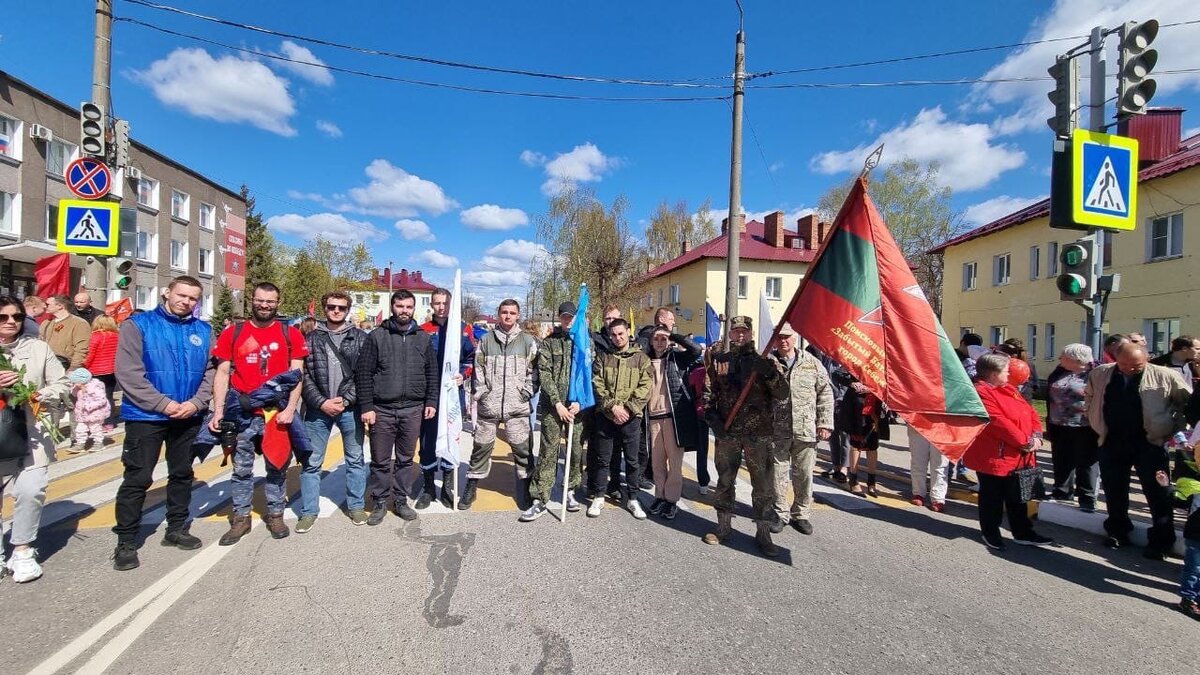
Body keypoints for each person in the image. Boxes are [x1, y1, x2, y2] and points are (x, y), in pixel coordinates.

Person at [111, 276, 214, 570]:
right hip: (146, 416)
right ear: (167, 293)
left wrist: (196, 403)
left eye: (193, 298)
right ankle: (126, 540)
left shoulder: (203, 330)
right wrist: (163, 404)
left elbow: (211, 372)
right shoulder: (139, 325)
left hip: (188, 415)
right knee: (138, 478)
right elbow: (129, 373)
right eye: (182, 295)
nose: (187, 302)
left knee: (182, 473)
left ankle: (176, 528)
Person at [210, 282, 308, 545]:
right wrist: (218, 410)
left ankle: (276, 513)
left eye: (271, 301)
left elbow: (297, 376)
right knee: (241, 469)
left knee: (277, 466)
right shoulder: (233, 332)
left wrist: (290, 409)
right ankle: (241, 518)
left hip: (275, 413)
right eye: (260, 300)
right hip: (242, 413)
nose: (265, 305)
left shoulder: (290, 334)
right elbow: (222, 373)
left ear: (278, 303)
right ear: (251, 300)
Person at [1086, 342, 1189, 559]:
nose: (1129, 369)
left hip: (1149, 442)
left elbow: (1185, 403)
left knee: (1158, 493)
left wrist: (1172, 429)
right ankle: (1117, 530)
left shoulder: (1164, 375)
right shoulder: (1101, 373)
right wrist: (1092, 417)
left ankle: (1161, 541)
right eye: (1123, 364)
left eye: (1136, 366)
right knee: (1114, 489)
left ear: (1147, 359)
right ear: (1116, 359)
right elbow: (1089, 396)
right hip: (1112, 440)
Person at [702, 315, 787, 556]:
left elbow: (782, 394)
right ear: (730, 334)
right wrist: (713, 419)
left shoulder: (766, 361)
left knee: (762, 486)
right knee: (725, 481)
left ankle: (763, 533)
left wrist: (769, 374)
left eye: (744, 331)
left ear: (750, 333)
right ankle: (723, 527)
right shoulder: (721, 361)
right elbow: (709, 392)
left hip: (758, 435)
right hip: (728, 434)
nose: (740, 335)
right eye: (736, 331)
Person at [0, 295, 69, 582]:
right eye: (3, 318)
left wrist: (41, 394)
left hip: (31, 434)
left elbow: (62, 383)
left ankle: (23, 550)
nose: (11, 323)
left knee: (31, 490)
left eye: (16, 317)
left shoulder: (39, 349)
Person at [355, 289, 437, 525]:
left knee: (405, 458)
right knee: (380, 459)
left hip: (413, 409)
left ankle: (400, 499)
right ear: (392, 307)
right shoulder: (377, 336)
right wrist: (367, 406)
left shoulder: (422, 337)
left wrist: (430, 401)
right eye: (400, 306)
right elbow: (364, 373)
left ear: (414, 309)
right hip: (382, 409)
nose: (404, 311)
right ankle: (380, 500)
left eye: (409, 307)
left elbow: (431, 372)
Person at [962, 353, 1054, 550]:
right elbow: (997, 422)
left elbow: (1030, 412)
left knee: (1018, 496)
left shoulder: (1007, 388)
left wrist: (1037, 435)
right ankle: (990, 532)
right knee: (992, 497)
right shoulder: (981, 391)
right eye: (1005, 371)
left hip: (1018, 454)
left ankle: (1023, 532)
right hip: (995, 455)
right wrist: (1024, 442)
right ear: (994, 374)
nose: (1009, 374)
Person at [298, 291, 369, 532]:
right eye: (331, 307)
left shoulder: (360, 338)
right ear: (324, 308)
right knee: (312, 461)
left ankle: (356, 506)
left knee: (355, 459)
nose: (336, 311)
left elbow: (365, 375)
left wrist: (347, 400)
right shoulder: (310, 338)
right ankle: (309, 511)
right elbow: (303, 375)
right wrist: (320, 402)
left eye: (341, 307)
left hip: (349, 408)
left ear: (348, 310)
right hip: (319, 409)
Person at [461, 299, 537, 511]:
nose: (508, 316)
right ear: (498, 314)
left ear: (518, 315)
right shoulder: (486, 340)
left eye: (512, 313)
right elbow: (478, 370)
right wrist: (483, 392)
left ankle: (524, 488)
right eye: (504, 312)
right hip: (489, 406)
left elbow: (534, 372)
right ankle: (471, 486)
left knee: (523, 450)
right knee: (481, 448)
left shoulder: (527, 341)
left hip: (517, 407)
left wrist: (526, 393)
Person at [523, 302, 586, 521]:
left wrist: (580, 402)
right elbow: (545, 374)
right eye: (564, 317)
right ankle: (540, 498)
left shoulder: (584, 343)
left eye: (571, 317)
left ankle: (570, 490)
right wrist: (557, 403)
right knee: (549, 452)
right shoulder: (549, 343)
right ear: (559, 318)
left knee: (575, 451)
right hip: (553, 407)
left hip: (576, 407)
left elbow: (588, 374)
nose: (568, 320)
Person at [771, 323, 833, 534]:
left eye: (787, 337)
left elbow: (825, 393)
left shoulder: (812, 364)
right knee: (777, 474)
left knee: (804, 474)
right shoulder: (767, 363)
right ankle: (780, 513)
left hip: (805, 429)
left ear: (795, 338)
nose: (783, 341)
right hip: (776, 429)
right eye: (779, 337)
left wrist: (824, 422)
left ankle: (801, 514)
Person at [586, 318, 652, 519]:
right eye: (613, 334)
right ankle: (599, 496)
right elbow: (597, 383)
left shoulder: (641, 359)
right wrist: (613, 407)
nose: (617, 338)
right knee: (602, 459)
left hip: (631, 419)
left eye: (621, 334)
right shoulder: (603, 357)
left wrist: (628, 409)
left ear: (628, 332)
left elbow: (645, 387)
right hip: (607, 416)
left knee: (632, 461)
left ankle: (632, 498)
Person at [419, 287, 476, 510]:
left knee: (451, 438)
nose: (441, 307)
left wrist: (464, 374)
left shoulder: (463, 330)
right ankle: (428, 487)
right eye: (437, 303)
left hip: (453, 394)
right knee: (427, 441)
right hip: (428, 395)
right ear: (431, 305)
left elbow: (472, 358)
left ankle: (448, 487)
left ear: (451, 304)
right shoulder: (423, 330)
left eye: (445, 303)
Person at [643, 322, 701, 520]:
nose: (659, 342)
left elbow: (696, 350)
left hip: (673, 418)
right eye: (656, 338)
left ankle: (672, 500)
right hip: (653, 419)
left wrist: (674, 336)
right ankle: (660, 496)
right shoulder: (645, 360)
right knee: (657, 462)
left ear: (668, 341)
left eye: (663, 338)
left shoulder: (677, 358)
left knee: (675, 463)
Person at [1045, 343, 1100, 512]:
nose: (1060, 358)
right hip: (1059, 424)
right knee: (1062, 458)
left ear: (1076, 360)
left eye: (1064, 356)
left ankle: (1087, 497)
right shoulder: (1060, 371)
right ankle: (1062, 491)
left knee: (1086, 462)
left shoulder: (1095, 374)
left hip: (1085, 426)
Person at [810, 345, 852, 483]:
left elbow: (847, 383)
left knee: (845, 437)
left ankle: (844, 468)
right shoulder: (827, 360)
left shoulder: (848, 360)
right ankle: (836, 465)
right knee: (832, 436)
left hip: (845, 403)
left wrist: (840, 399)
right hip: (830, 403)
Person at [842, 374, 887, 497]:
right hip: (857, 410)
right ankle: (853, 480)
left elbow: (890, 383)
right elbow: (838, 374)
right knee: (856, 445)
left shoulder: (881, 365)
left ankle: (871, 483)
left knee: (873, 447)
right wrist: (852, 383)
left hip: (874, 411)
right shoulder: (857, 361)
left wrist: (872, 389)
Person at [83, 314, 120, 431]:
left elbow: (90, 354)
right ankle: (109, 422)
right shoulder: (118, 336)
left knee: (95, 397)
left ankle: (96, 421)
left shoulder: (95, 336)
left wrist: (84, 366)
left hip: (96, 371)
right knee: (109, 396)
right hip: (113, 371)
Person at [39, 294, 91, 370]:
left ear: (60, 306)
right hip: (44, 365)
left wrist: (73, 369)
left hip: (65, 367)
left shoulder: (79, 323)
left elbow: (82, 350)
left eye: (48, 304)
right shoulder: (46, 323)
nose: (44, 306)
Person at [686, 361, 712, 494]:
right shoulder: (725, 370)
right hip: (721, 414)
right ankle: (727, 478)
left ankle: (703, 483)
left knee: (702, 449)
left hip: (700, 413)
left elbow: (688, 390)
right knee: (723, 449)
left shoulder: (697, 372)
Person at [908, 425, 949, 512]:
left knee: (940, 464)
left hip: (943, 425)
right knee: (918, 461)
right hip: (918, 422)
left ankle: (938, 498)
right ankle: (918, 493)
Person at [68, 368, 108, 452]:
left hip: (94, 413)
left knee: (95, 428)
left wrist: (89, 406)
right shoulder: (78, 387)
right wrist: (75, 388)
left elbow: (101, 400)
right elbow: (74, 394)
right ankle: (80, 444)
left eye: (75, 382)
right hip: (82, 413)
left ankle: (98, 443)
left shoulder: (95, 387)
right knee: (80, 429)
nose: (74, 384)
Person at [998, 338, 1039, 402]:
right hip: (1025, 397)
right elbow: (1036, 383)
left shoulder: (1006, 363)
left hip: (1008, 398)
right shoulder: (1029, 363)